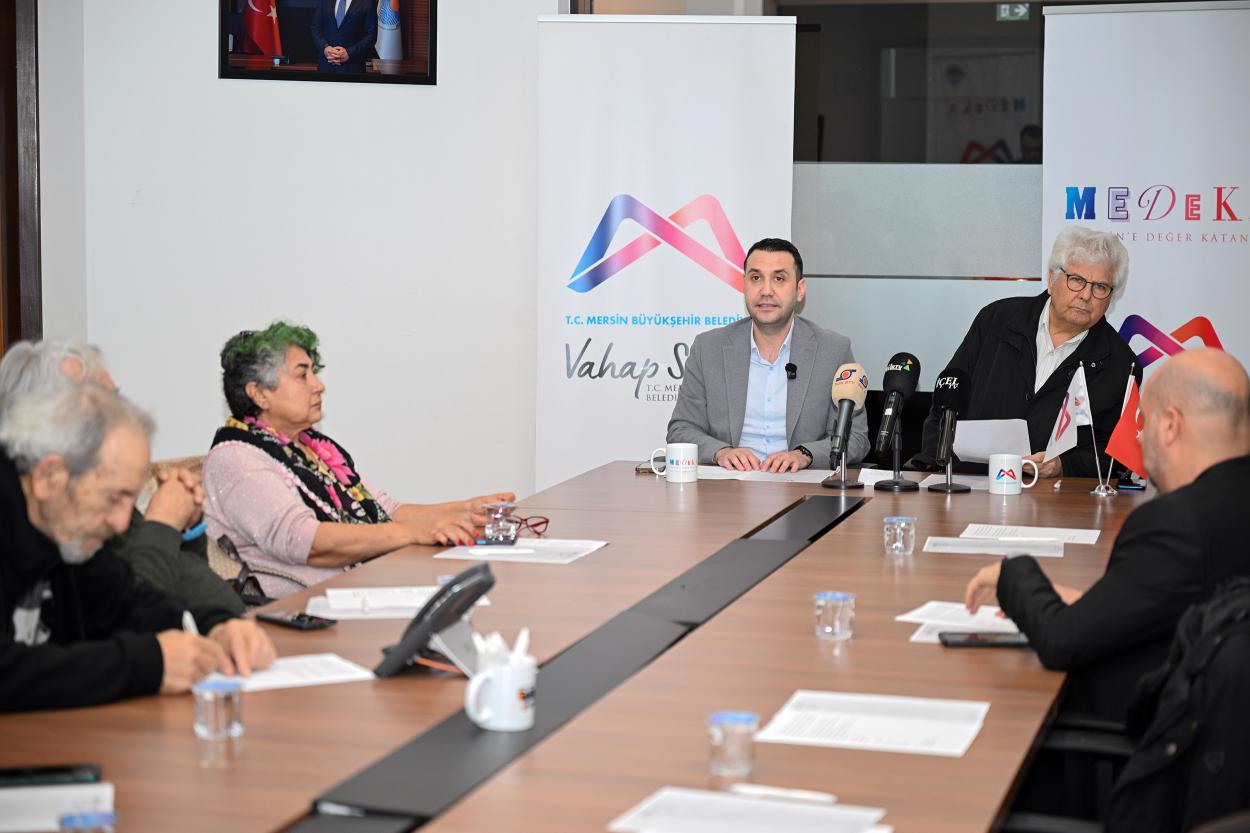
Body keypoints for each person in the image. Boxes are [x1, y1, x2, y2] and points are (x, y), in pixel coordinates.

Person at [964, 348, 1250, 721]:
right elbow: (1180, 600)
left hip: (1139, 731)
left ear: (1170, 426)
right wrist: (1095, 605)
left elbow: (1061, 642)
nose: (1139, 436)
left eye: (1143, 421)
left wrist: (1011, 572)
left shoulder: (1174, 525)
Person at [0, 385, 275, 712]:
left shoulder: (67, 532)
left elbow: (129, 603)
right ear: (49, 476)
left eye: (129, 500)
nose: (120, 523)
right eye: (114, 498)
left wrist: (218, 626)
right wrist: (150, 663)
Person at [203, 322, 514, 597]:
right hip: (309, 611)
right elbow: (304, 541)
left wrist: (466, 510)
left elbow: (386, 510)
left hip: (365, 589)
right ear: (259, 394)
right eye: (302, 375)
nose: (318, 385)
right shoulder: (237, 458)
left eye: (314, 373)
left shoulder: (312, 447)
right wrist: (413, 533)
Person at [0, 340, 244, 615]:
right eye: (101, 408)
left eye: (117, 400)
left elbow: (174, 585)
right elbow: (129, 608)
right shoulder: (73, 521)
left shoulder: (84, 508)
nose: (121, 416)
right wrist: (163, 524)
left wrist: (187, 527)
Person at [913, 226, 1140, 478]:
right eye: (1076, 280)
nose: (1086, 295)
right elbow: (946, 401)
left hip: (1050, 494)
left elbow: (1115, 456)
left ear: (1111, 296)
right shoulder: (996, 321)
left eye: (1100, 287)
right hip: (968, 481)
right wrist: (937, 468)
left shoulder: (1122, 365)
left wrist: (1062, 465)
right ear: (1052, 279)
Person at [666, 238, 869, 472]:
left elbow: (856, 438)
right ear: (744, 285)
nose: (766, 291)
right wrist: (721, 452)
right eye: (756, 278)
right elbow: (681, 429)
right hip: (729, 484)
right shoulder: (708, 348)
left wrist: (806, 455)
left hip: (800, 485)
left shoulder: (833, 350)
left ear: (800, 289)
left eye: (779, 279)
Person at [310, 0, 378, 73]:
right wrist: (325, 48)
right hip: (326, 67)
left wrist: (349, 53)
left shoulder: (367, 2)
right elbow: (315, 28)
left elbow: (371, 35)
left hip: (353, 69)